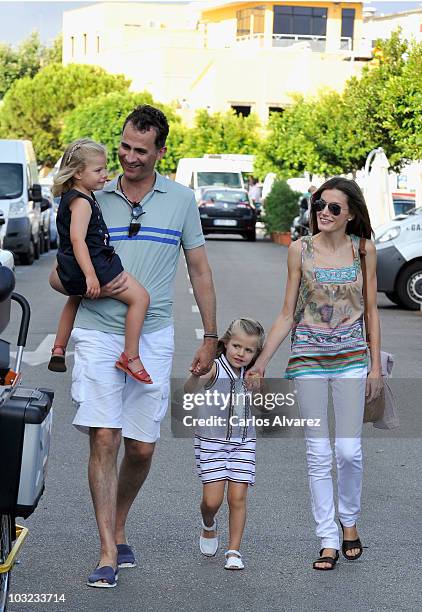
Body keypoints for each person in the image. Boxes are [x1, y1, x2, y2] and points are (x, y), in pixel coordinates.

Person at [70, 105, 217, 588]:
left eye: (140, 150)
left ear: (161, 151)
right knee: (105, 437)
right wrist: (74, 281)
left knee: (141, 446)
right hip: (96, 331)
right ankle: (107, 550)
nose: (129, 158)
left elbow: (198, 269)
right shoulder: (92, 194)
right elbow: (62, 264)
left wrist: (211, 337)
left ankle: (118, 517)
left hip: (152, 335)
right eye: (124, 147)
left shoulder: (180, 200)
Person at [247, 177, 383, 570]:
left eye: (334, 208)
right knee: (318, 453)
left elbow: (372, 311)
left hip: (353, 359)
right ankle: (327, 538)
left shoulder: (363, 250)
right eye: (320, 204)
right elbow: (287, 313)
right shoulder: (299, 250)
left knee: (348, 450)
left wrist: (375, 366)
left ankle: (350, 521)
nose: (324, 211)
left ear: (351, 214)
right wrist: (261, 361)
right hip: (307, 359)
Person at [48, 139, 152, 384]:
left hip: (69, 268)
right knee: (141, 298)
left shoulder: (70, 197)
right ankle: (131, 356)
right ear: (77, 172)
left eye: (105, 169)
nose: (105, 176)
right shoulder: (83, 202)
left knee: (75, 298)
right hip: (96, 264)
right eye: (98, 170)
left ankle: (59, 348)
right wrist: (91, 276)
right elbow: (78, 240)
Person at [185, 318, 265, 571]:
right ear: (226, 344)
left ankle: (234, 550)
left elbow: (261, 406)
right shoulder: (215, 369)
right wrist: (196, 376)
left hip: (243, 442)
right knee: (212, 501)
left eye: (249, 350)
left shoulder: (251, 374)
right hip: (212, 441)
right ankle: (209, 524)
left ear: (256, 354)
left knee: (238, 497)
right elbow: (189, 391)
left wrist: (259, 390)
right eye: (237, 346)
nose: (241, 353)